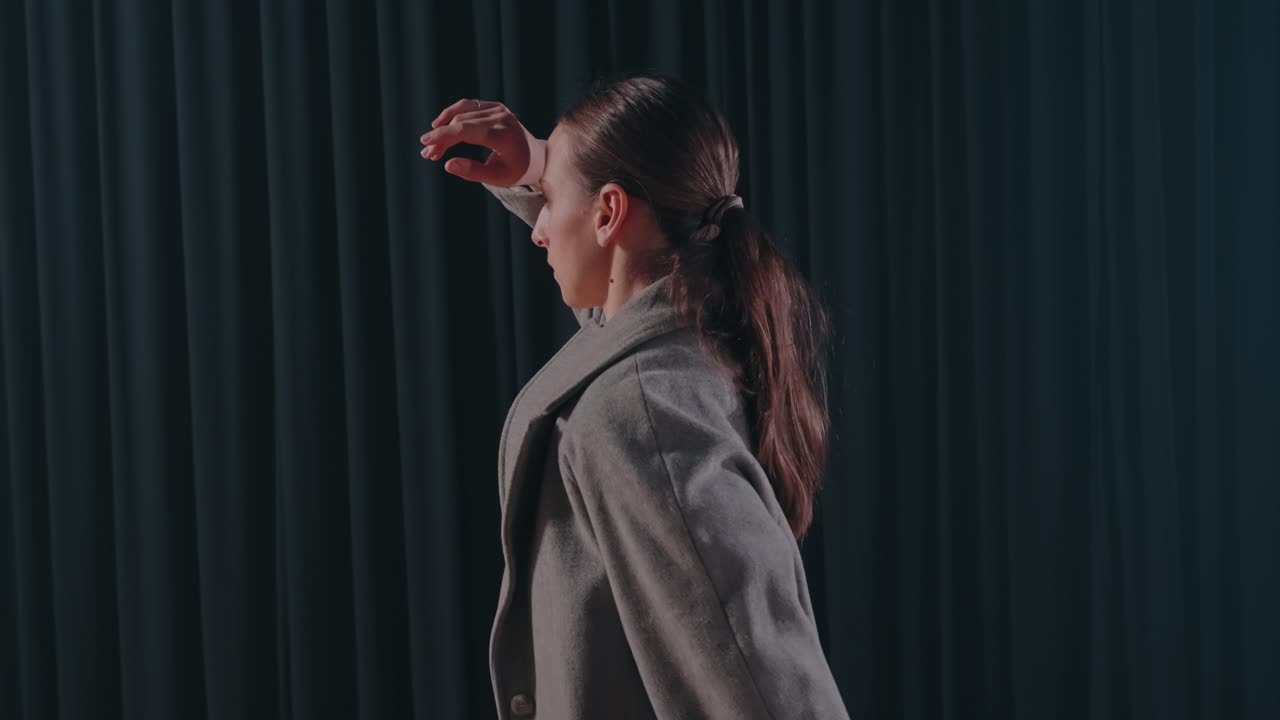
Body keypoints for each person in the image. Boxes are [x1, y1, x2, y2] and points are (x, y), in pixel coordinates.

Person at [419, 73, 849, 720]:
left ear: (608, 213)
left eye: (551, 200)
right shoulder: (684, 341)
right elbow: (613, 322)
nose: (539, 231)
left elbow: (763, 678)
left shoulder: (642, 414)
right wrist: (540, 169)